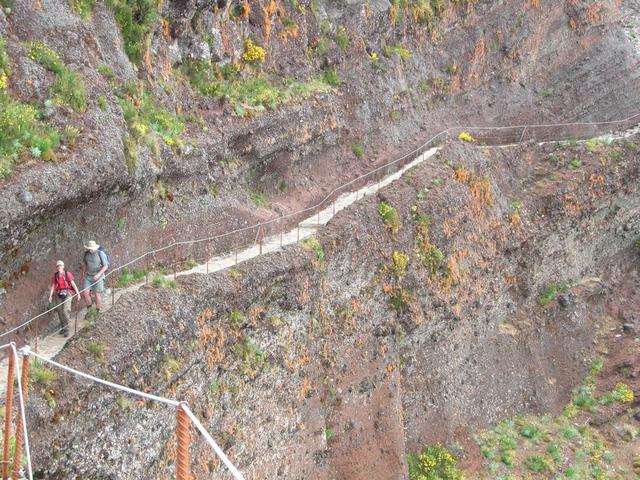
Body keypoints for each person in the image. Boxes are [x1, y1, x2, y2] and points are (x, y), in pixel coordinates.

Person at [48, 260, 80, 336]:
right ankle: (63, 328)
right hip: (59, 293)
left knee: (65, 310)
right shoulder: (55, 276)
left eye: (60, 265)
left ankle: (67, 329)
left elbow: (73, 284)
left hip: (68, 293)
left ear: (63, 266)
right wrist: (50, 296)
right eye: (58, 266)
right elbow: (53, 286)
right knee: (59, 311)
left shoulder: (67, 274)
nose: (59, 267)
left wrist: (78, 294)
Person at [81, 240, 108, 313]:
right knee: (85, 293)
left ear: (95, 247)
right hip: (88, 276)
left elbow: (105, 266)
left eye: (92, 248)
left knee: (97, 294)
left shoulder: (100, 253)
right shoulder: (86, 254)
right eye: (89, 248)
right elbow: (84, 265)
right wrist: (83, 276)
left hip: (99, 276)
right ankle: (89, 309)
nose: (91, 249)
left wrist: (98, 274)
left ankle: (97, 310)